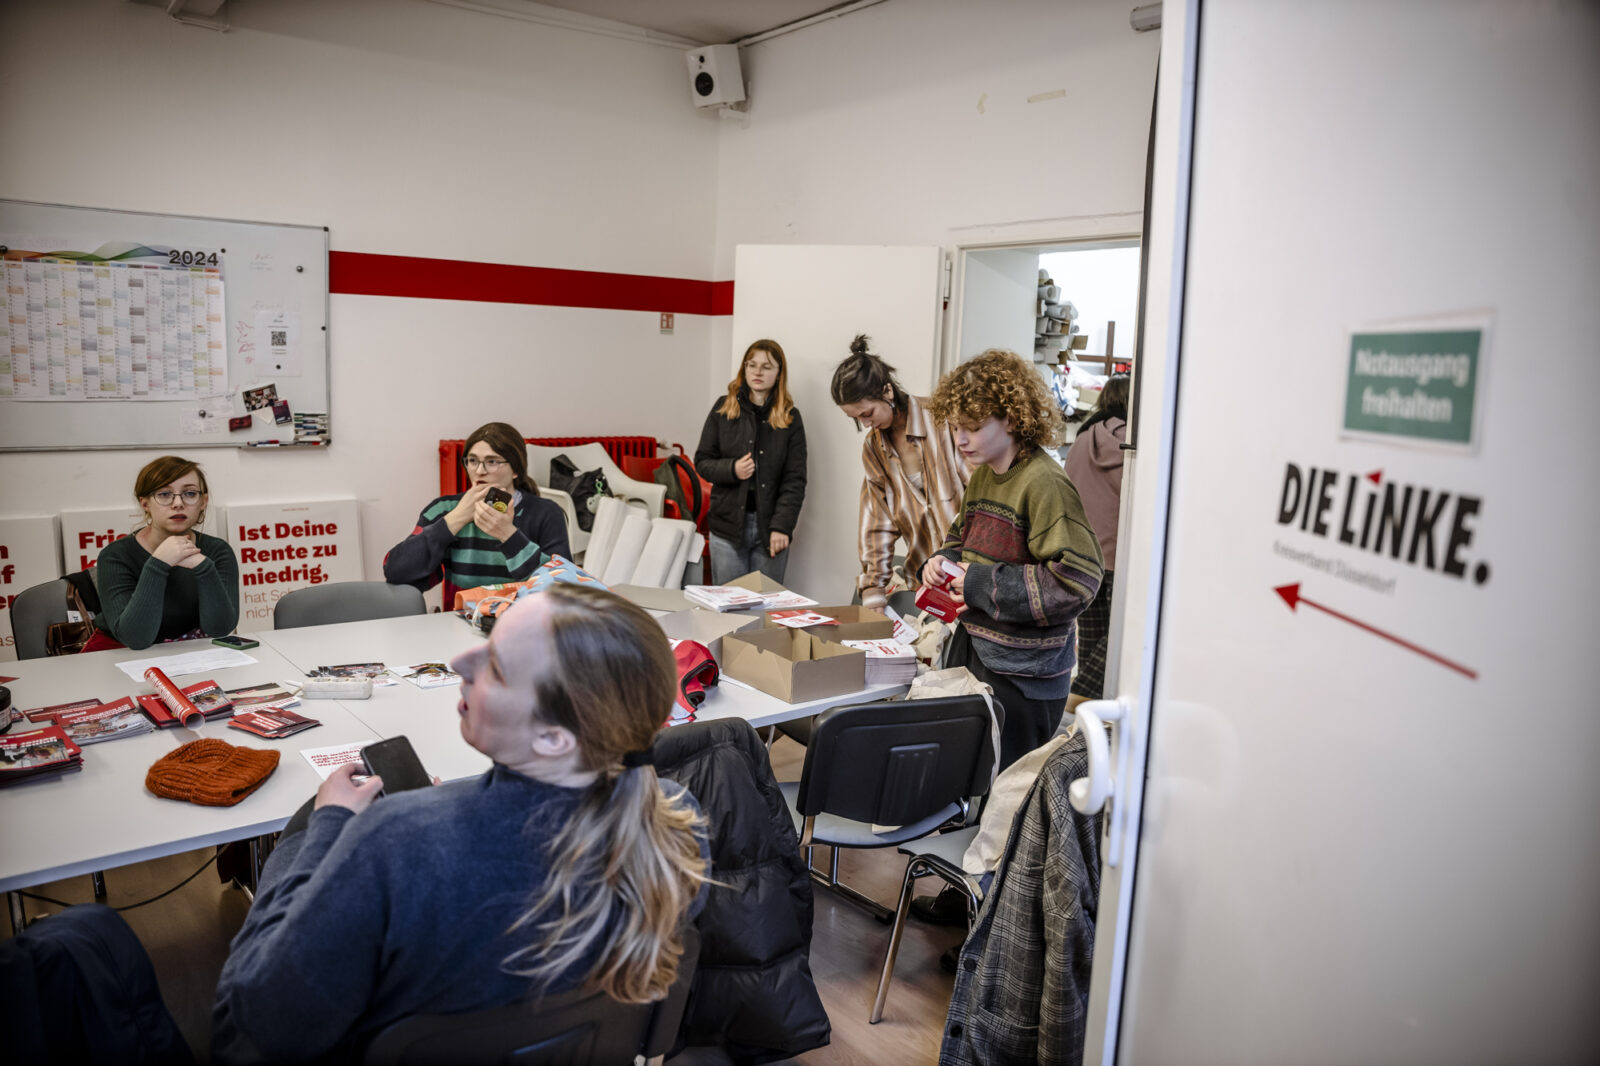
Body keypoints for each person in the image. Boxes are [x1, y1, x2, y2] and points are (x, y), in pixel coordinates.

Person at [212, 584, 709, 1065]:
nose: (459, 664)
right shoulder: (675, 821)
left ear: (555, 739)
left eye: (495, 666)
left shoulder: (394, 840)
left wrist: (325, 828)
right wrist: (440, 810)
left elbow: (253, 1028)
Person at [922, 349, 1103, 771]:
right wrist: (940, 561)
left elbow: (1078, 582)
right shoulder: (984, 474)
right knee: (971, 788)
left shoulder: (1044, 483)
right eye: (954, 428)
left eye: (972, 428)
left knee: (1005, 805)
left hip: (1025, 680)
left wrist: (978, 583)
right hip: (980, 656)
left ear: (1010, 418)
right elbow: (961, 539)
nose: (959, 440)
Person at [831, 334, 970, 610]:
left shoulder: (941, 419)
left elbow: (981, 492)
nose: (865, 423)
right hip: (925, 581)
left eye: (868, 413)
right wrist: (873, 588)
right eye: (857, 419)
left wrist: (979, 570)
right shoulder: (874, 449)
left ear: (887, 392)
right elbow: (876, 522)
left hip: (969, 575)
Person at [383, 421, 570, 607]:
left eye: (492, 461)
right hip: (461, 623)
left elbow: (564, 589)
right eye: (472, 461)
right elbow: (396, 572)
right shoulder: (443, 509)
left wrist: (508, 534)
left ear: (515, 470)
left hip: (524, 622)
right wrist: (455, 519)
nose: (479, 471)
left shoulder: (546, 513)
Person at [91, 456, 239, 651]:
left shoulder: (218, 551)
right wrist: (158, 563)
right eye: (164, 494)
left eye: (189, 493)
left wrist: (204, 568)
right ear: (145, 504)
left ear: (203, 502)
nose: (178, 503)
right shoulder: (115, 555)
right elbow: (135, 638)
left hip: (186, 651)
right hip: (119, 652)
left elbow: (220, 629)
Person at [695, 340, 807, 584]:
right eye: (752, 365)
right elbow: (702, 462)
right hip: (727, 526)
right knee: (729, 610)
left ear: (779, 374)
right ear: (744, 369)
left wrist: (782, 526)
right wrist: (732, 469)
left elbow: (795, 480)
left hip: (771, 530)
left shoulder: (790, 419)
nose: (757, 372)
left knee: (764, 610)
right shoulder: (723, 409)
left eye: (767, 367)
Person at [1064, 373, 1129, 710]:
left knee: (1090, 638)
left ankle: (1082, 714)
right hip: (1122, 557)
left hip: (1084, 555)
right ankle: (1084, 699)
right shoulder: (1136, 447)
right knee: (1118, 637)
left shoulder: (1082, 439)